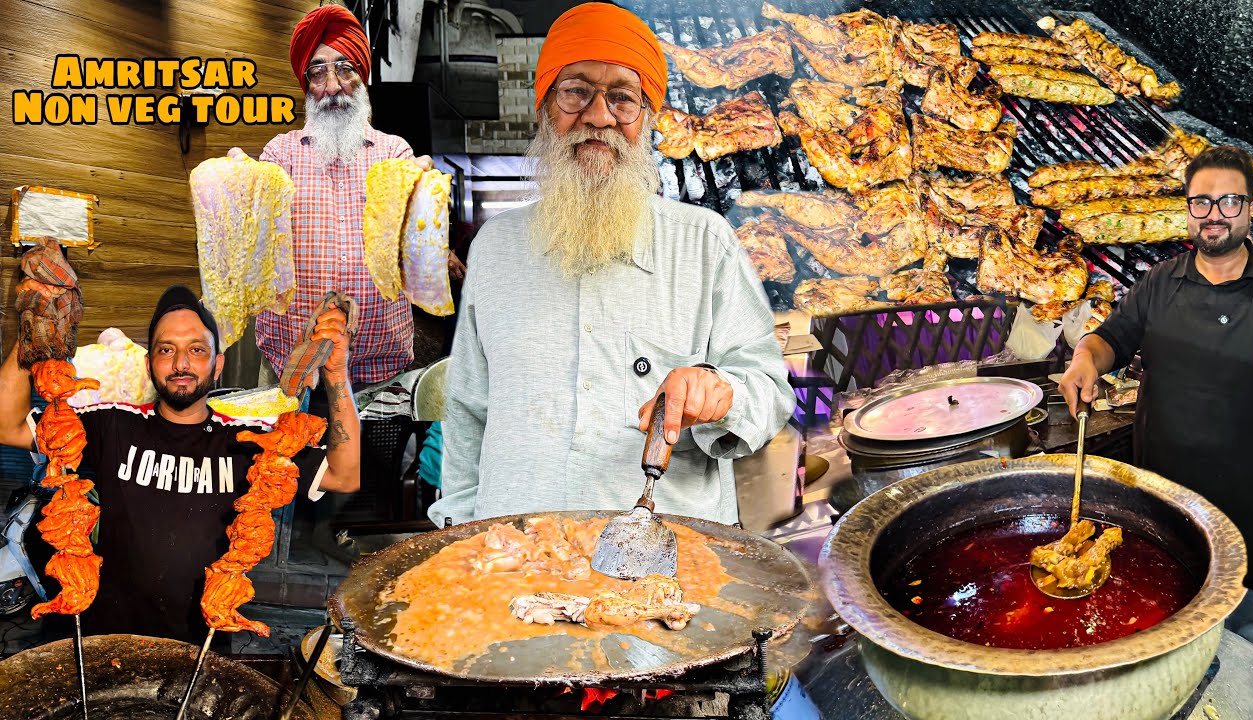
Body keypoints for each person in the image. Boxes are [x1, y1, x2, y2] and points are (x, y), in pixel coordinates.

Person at [427, 3, 794, 528]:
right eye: (575, 91)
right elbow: (467, 412)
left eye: (622, 98)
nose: (598, 116)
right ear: (545, 109)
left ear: (646, 120)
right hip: (512, 555)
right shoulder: (495, 246)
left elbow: (770, 392)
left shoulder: (704, 242)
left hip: (667, 559)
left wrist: (722, 391)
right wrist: (460, 532)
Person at [0, 285, 361, 640]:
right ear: (149, 363)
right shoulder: (111, 422)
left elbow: (344, 477)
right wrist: (30, 333)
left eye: (197, 349)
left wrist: (335, 376)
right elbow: (7, 427)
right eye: (166, 349)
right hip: (98, 633)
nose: (181, 363)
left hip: (198, 641)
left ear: (217, 365)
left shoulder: (252, 440)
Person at [1059, 145, 1253, 589]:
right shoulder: (1161, 281)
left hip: (1244, 504)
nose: (1214, 213)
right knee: (1155, 587)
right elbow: (1111, 339)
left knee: (1229, 603)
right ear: (1188, 209)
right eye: (1201, 201)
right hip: (1159, 492)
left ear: (1251, 207)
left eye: (1230, 201)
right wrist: (1085, 356)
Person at [231, 5, 438, 414]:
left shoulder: (394, 153)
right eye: (318, 72)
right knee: (289, 473)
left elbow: (413, 261)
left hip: (379, 371)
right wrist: (239, 192)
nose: (333, 85)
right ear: (306, 85)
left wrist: (423, 203)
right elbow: (256, 250)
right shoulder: (281, 154)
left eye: (345, 69)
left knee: (373, 475)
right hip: (292, 368)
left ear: (362, 76)